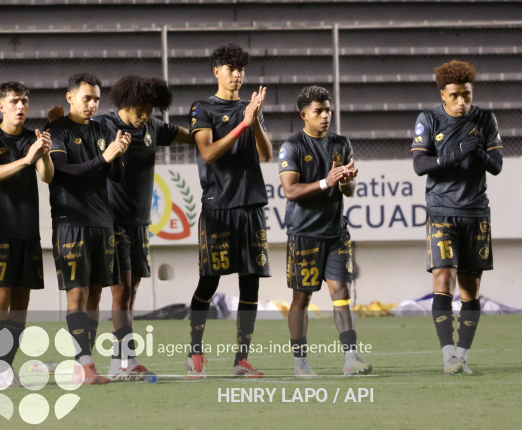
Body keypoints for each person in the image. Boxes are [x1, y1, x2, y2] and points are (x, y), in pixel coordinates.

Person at [94, 75, 192, 380]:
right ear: (126, 102)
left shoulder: (152, 128)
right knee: (120, 293)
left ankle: (121, 360)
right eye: (142, 108)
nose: (146, 114)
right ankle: (122, 362)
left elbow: (191, 137)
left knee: (132, 291)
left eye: (151, 109)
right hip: (112, 222)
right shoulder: (103, 125)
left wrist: (214, 133)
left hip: (140, 224)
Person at [185, 44, 272, 379]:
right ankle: (194, 353)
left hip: (251, 206)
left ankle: (241, 360)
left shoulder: (250, 108)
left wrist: (254, 121)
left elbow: (265, 154)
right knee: (209, 282)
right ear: (216, 71)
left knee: (250, 284)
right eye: (230, 68)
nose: (237, 74)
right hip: (218, 207)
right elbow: (207, 153)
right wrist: (240, 125)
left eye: (241, 69)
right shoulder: (202, 108)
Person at [411, 60, 503, 374]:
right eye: (455, 95)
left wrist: (476, 151)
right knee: (443, 280)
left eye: (467, 94)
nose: (462, 101)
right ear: (443, 95)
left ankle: (462, 356)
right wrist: (458, 152)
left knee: (470, 289)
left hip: (476, 212)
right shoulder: (428, 119)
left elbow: (497, 165)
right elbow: (420, 166)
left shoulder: (485, 118)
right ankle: (448, 355)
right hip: (441, 212)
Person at [278, 86, 372, 378]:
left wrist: (345, 179)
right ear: (303, 114)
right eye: (319, 111)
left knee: (341, 292)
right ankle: (300, 362)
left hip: (335, 233)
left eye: (328, 110)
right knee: (302, 298)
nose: (325, 115)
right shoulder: (291, 147)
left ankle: (351, 359)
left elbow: (349, 191)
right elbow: (290, 191)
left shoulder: (341, 143)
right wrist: (326, 181)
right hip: (304, 233)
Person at [47, 73, 130, 385]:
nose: (93, 104)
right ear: (70, 98)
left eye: (97, 98)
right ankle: (84, 363)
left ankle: (85, 361)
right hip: (71, 222)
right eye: (87, 98)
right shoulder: (57, 130)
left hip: (102, 222)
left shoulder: (102, 129)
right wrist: (105, 156)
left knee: (95, 293)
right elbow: (63, 172)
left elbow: (117, 176)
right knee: (77, 293)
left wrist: (118, 153)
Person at [0, 81, 53, 386]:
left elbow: (47, 177)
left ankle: (8, 367)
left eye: (24, 101)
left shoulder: (32, 137)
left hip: (27, 230)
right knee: (1, 297)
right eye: (14, 101)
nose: (20, 107)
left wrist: (43, 154)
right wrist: (26, 158)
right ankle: (0, 367)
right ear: (1, 106)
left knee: (21, 302)